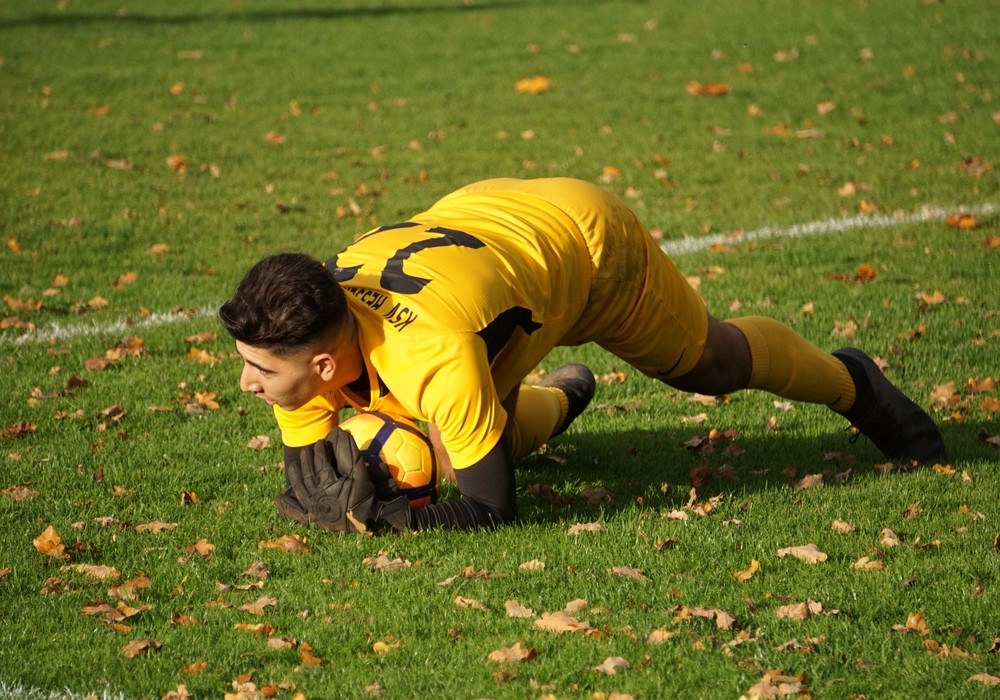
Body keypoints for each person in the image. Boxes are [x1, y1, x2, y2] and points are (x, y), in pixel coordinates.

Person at [219, 177, 947, 533]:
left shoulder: (431, 357)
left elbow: (491, 508)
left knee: (708, 365)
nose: (246, 383)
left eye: (260, 368)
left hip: (583, 246)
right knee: (444, 427)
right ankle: (564, 399)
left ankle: (853, 382)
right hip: (487, 241)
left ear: (320, 367)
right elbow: (305, 472)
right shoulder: (314, 324)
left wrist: (384, 521)